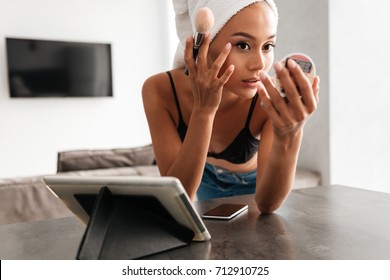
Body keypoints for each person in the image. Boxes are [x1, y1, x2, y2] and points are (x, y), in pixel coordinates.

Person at [142, 0, 320, 213]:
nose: (260, 64)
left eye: (267, 46)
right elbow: (180, 196)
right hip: (203, 183)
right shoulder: (160, 90)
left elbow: (267, 204)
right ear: (204, 44)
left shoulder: (268, 98)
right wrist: (204, 110)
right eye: (243, 45)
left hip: (254, 186)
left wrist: (290, 134)